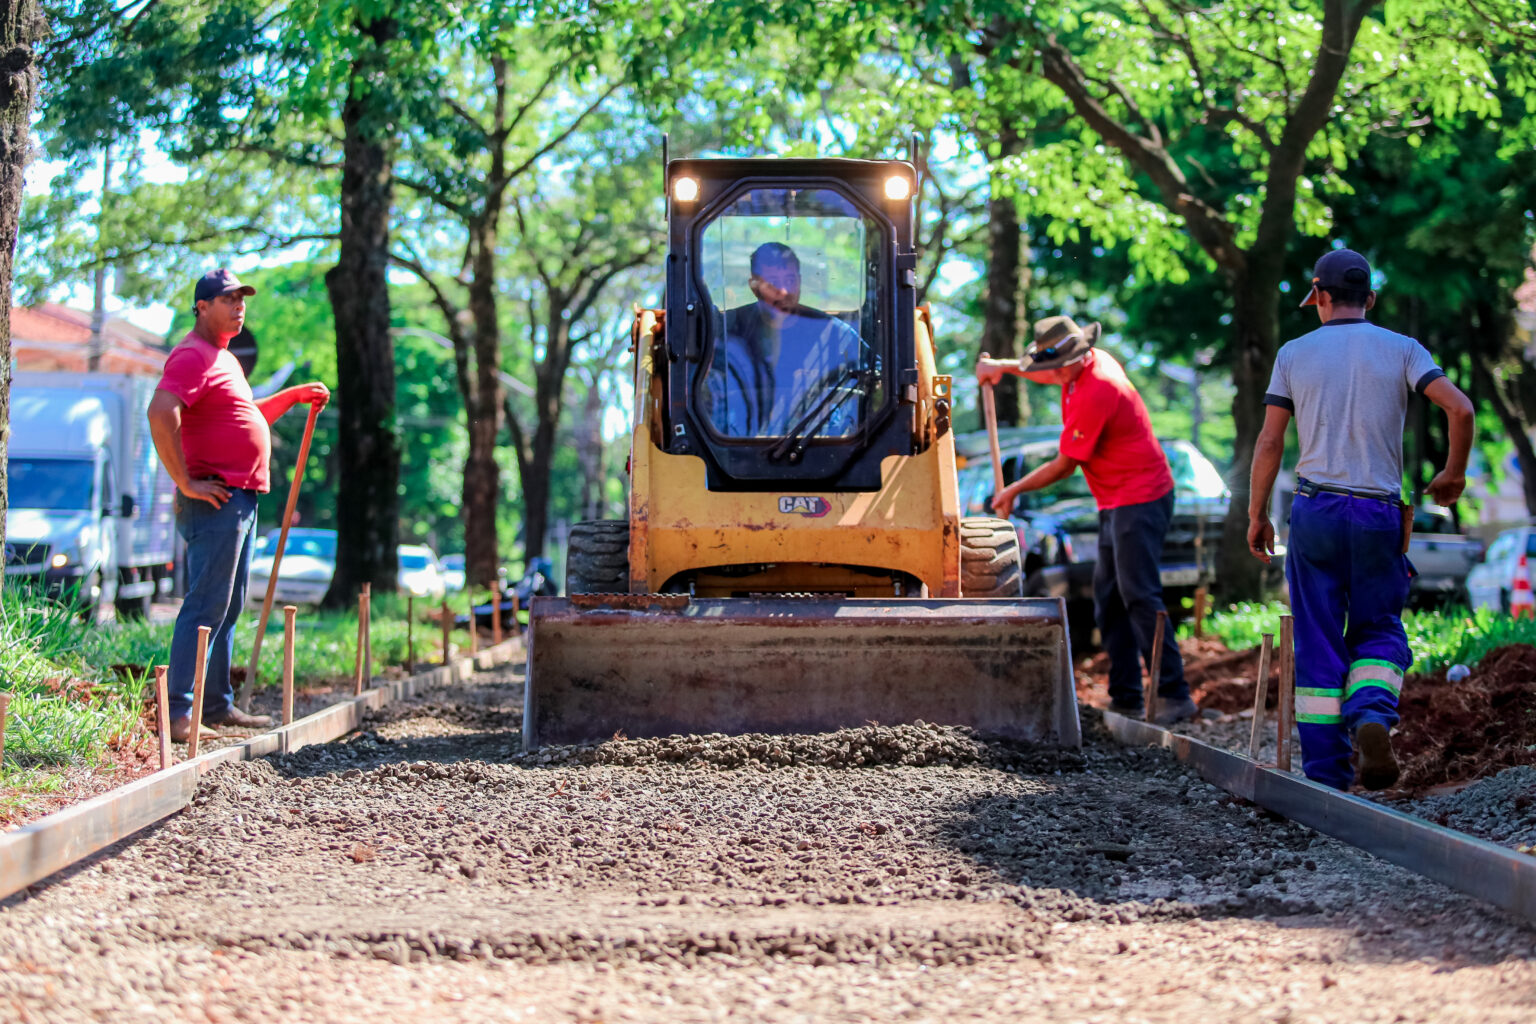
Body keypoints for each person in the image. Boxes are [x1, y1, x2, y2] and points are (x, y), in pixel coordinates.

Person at [1248, 248, 1473, 791]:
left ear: (1319, 296)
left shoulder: (1294, 354)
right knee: (1378, 626)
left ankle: (1327, 778)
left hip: (1316, 509)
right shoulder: (1403, 349)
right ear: (1369, 299)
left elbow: (1271, 439)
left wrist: (1257, 515)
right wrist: (1452, 475)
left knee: (1320, 638)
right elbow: (1461, 408)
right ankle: (1372, 713)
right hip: (1378, 513)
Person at [978, 316, 1195, 724]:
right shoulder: (1078, 367)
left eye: (1056, 368)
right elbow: (1041, 371)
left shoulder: (1098, 389)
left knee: (1138, 594)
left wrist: (1012, 490)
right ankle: (1126, 697)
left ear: (1074, 359)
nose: (1052, 375)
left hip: (1142, 497)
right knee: (1108, 598)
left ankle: (1174, 695)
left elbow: (1065, 466)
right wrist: (1001, 368)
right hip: (1114, 500)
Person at [147, 269, 331, 742]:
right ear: (202, 306)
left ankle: (216, 705)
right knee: (206, 603)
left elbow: (246, 416)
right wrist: (184, 480)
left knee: (228, 607)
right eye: (228, 299)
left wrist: (292, 396)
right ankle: (179, 713)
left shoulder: (224, 359)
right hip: (215, 499)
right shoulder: (192, 354)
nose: (238, 305)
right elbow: (160, 410)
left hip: (241, 499)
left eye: (241, 298)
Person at [707, 242, 864, 438]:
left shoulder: (832, 332)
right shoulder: (726, 329)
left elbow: (874, 380)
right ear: (753, 286)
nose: (782, 291)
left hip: (818, 447)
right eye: (772, 282)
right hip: (736, 447)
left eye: (790, 280)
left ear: (799, 280)